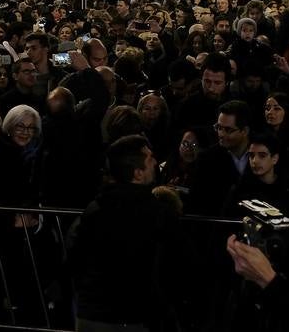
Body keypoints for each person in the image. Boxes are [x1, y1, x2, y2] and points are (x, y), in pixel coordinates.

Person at [67, 134, 188, 332]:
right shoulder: (158, 214)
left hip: (92, 315)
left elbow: (77, 257)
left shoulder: (95, 209)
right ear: (137, 173)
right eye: (149, 158)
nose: (155, 162)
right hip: (135, 317)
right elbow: (179, 261)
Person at [189, 100, 253, 215]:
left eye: (228, 130)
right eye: (219, 127)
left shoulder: (262, 153)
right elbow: (197, 202)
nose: (221, 134)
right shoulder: (206, 159)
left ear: (245, 131)